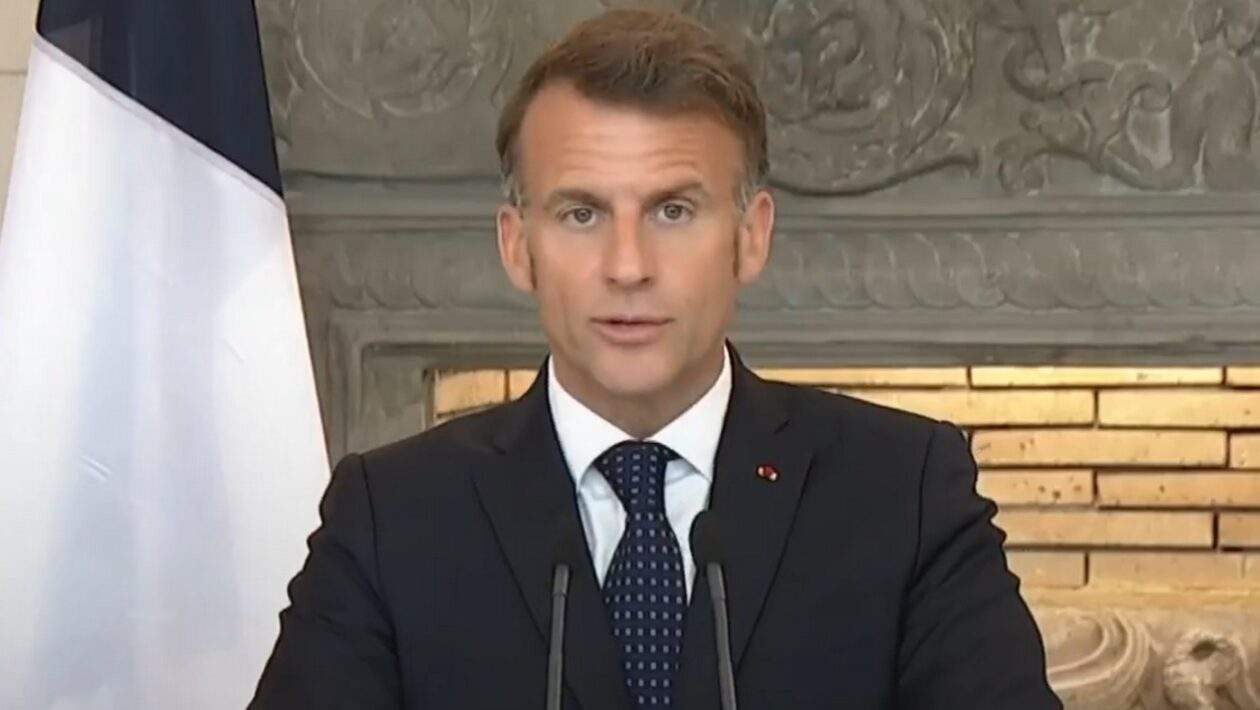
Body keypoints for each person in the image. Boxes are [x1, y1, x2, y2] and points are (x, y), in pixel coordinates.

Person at [251, 8, 1060, 709]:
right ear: (517, 246)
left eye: (673, 211)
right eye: (581, 214)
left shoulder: (904, 489)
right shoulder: (392, 514)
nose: (629, 265)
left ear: (751, 236)